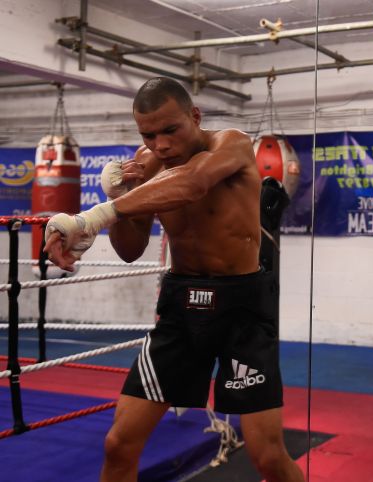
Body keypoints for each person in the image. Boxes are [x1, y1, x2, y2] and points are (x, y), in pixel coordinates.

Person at [43, 77, 304, 482]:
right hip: (181, 310)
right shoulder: (145, 164)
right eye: (148, 135)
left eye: (170, 130)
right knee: (118, 444)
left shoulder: (231, 144)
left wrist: (92, 217)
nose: (160, 144)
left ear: (194, 116)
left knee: (268, 455)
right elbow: (130, 249)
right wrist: (125, 198)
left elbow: (192, 182)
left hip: (244, 311)